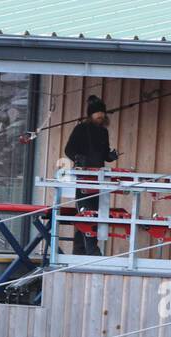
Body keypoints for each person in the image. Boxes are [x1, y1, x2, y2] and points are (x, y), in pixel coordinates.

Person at [63, 94, 118, 255]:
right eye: (97, 113)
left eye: (102, 113)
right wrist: (78, 158)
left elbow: (104, 155)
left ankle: (79, 251)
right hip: (84, 178)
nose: (100, 116)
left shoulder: (103, 132)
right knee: (86, 212)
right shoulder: (80, 129)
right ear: (91, 115)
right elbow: (69, 150)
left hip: (98, 178)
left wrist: (111, 156)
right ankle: (92, 250)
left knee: (93, 212)